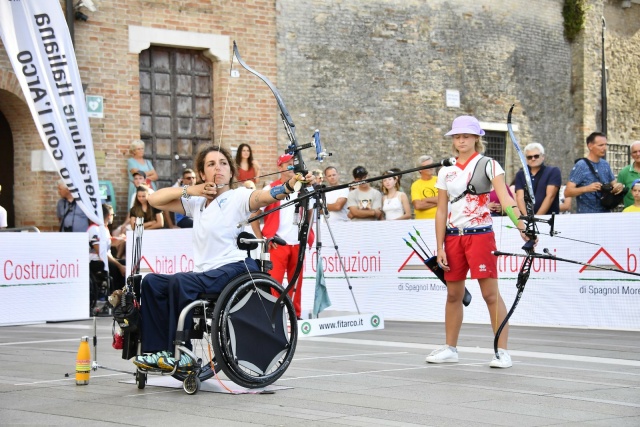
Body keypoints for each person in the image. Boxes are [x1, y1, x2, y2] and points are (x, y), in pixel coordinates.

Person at [133, 146, 313, 371]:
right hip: (206, 273)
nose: (218, 167)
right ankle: (157, 352)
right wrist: (193, 190)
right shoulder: (196, 202)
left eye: (223, 163)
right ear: (202, 174)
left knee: (181, 281)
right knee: (151, 282)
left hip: (234, 269)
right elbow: (154, 200)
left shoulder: (238, 197)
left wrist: (289, 185)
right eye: (211, 164)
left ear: (230, 173)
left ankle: (182, 354)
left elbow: (263, 197)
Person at [427, 115, 527, 369]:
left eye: (466, 136)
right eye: (457, 136)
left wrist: (520, 224)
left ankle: (502, 351)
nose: (461, 140)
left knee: (490, 294)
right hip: (453, 238)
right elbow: (441, 211)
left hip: (481, 235)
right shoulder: (446, 171)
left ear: (476, 138)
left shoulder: (489, 164)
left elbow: (504, 198)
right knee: (453, 295)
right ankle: (450, 348)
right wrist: (439, 247)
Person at [250, 154, 312, 319]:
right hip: (278, 243)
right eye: (288, 164)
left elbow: (311, 212)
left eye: (293, 163)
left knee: (296, 283)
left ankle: (295, 316)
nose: (292, 166)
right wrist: (262, 238)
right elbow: (254, 214)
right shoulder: (270, 189)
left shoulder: (303, 187)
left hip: (297, 243)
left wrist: (307, 234)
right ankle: (274, 317)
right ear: (280, 167)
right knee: (274, 283)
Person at [565, 132, 625, 213]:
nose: (604, 148)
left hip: (605, 214)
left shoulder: (605, 164)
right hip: (586, 216)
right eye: (600, 145)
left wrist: (618, 186)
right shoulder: (581, 165)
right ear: (590, 146)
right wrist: (586, 188)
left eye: (605, 145)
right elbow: (567, 192)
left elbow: (614, 185)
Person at [514, 143, 562, 215]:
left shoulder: (553, 171)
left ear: (543, 157)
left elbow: (550, 196)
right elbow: (520, 198)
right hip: (528, 221)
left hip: (548, 219)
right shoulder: (520, 174)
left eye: (536, 156)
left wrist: (537, 218)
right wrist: (527, 218)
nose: (533, 159)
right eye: (529, 157)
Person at [88, 204, 126, 294]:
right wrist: (119, 266)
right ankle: (114, 295)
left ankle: (122, 294)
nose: (113, 217)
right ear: (109, 216)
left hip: (104, 259)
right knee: (115, 267)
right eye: (113, 215)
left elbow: (109, 244)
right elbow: (101, 253)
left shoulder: (104, 229)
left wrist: (121, 239)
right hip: (95, 262)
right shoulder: (94, 229)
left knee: (125, 263)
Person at [127, 139, 158, 210]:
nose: (141, 150)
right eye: (138, 149)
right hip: (137, 188)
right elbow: (137, 174)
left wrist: (143, 177)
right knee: (136, 208)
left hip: (150, 187)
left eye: (142, 149)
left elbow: (156, 176)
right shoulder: (131, 161)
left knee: (152, 208)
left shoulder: (147, 162)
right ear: (134, 151)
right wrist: (150, 173)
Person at [411, 155, 438, 219]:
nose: (431, 168)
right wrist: (438, 202)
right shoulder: (415, 185)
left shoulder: (440, 180)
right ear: (420, 170)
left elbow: (446, 199)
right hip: (422, 223)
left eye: (432, 165)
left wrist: (426, 200)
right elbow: (418, 205)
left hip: (440, 221)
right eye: (428, 166)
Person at [617, 141, 640, 208]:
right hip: (631, 215)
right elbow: (618, 196)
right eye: (634, 152)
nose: (638, 154)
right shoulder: (624, 173)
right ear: (631, 155)